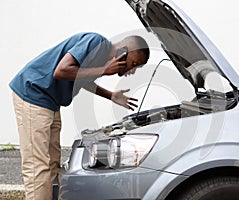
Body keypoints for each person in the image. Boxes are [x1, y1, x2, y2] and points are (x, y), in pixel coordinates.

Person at [9, 32, 150, 200]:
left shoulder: (100, 57)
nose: (132, 71)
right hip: (32, 93)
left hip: (50, 102)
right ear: (123, 52)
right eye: (133, 63)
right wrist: (104, 70)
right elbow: (61, 71)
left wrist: (110, 95)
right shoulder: (95, 42)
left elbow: (81, 77)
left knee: (53, 164)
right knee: (37, 167)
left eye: (136, 67)